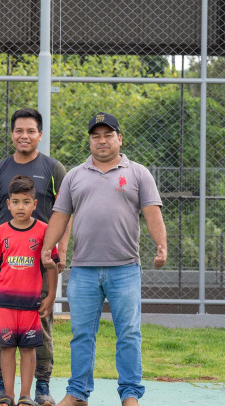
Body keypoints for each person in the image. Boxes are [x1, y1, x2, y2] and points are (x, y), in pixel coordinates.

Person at [41, 112, 168, 406]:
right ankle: (77, 393)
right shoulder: (74, 175)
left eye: (108, 135)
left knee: (128, 334)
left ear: (119, 139)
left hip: (125, 269)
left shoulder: (138, 173)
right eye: (96, 136)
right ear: (90, 140)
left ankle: (130, 394)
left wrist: (161, 246)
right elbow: (60, 216)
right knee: (82, 335)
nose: (102, 141)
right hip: (83, 269)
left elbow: (152, 213)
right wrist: (49, 249)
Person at [0, 108, 69, 406]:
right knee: (2, 325)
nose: (24, 136)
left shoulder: (54, 168)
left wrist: (60, 251)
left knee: (41, 321)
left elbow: (65, 213)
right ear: (12, 133)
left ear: (40, 135)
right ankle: (0, 386)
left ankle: (41, 387)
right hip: (8, 265)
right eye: (19, 130)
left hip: (41, 264)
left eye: (31, 131)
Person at [0, 176, 59, 406]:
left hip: (31, 306)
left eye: (26, 202)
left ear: (35, 204)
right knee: (6, 348)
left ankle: (25, 395)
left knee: (28, 350)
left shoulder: (45, 231)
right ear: (7, 205)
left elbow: (52, 266)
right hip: (6, 304)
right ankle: (7, 394)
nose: (20, 207)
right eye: (15, 202)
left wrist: (51, 296)